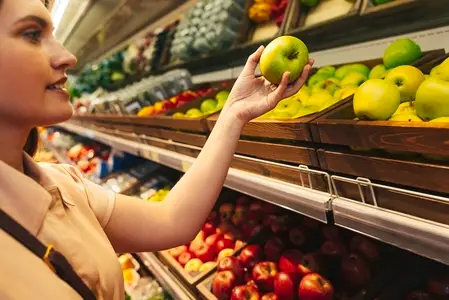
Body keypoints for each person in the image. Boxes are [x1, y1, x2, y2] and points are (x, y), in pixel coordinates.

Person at [0, 0, 313, 299]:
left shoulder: (64, 186)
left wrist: (234, 112)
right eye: (32, 34)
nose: (67, 56)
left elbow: (171, 220)